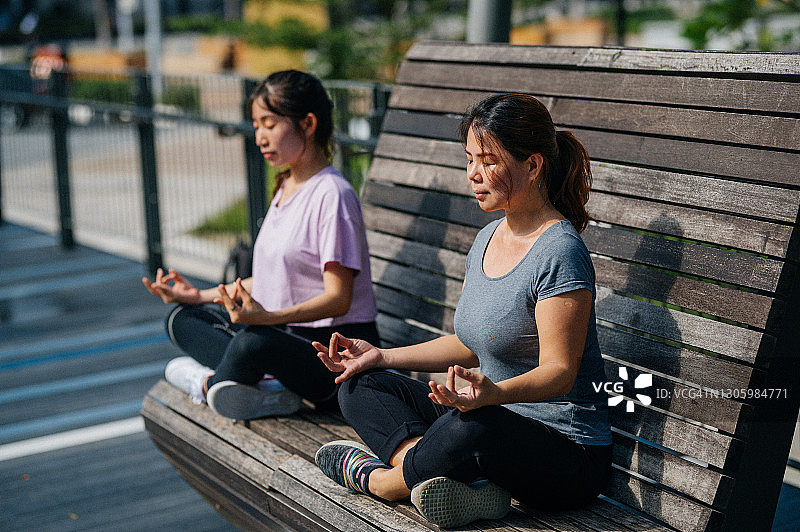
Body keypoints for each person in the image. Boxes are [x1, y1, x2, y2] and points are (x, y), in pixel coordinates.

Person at [313, 94, 612, 529]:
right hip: (490, 422)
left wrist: (493, 395)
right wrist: (381, 357)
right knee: (361, 385)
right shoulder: (487, 237)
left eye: (488, 160)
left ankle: (384, 481)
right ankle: (450, 478)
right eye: (470, 159)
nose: (473, 173)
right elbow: (469, 344)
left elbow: (560, 372)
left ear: (532, 166)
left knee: (470, 427)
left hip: (566, 455)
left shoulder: (560, 252)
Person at [143, 70, 379, 420]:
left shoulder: (333, 195)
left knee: (253, 342)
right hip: (286, 337)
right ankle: (263, 384)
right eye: (256, 126)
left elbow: (338, 298)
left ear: (308, 124)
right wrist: (198, 296)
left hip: (335, 356)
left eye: (269, 124)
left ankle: (208, 383)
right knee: (183, 318)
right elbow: (272, 281)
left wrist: (267, 319)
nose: (260, 137)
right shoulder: (285, 187)